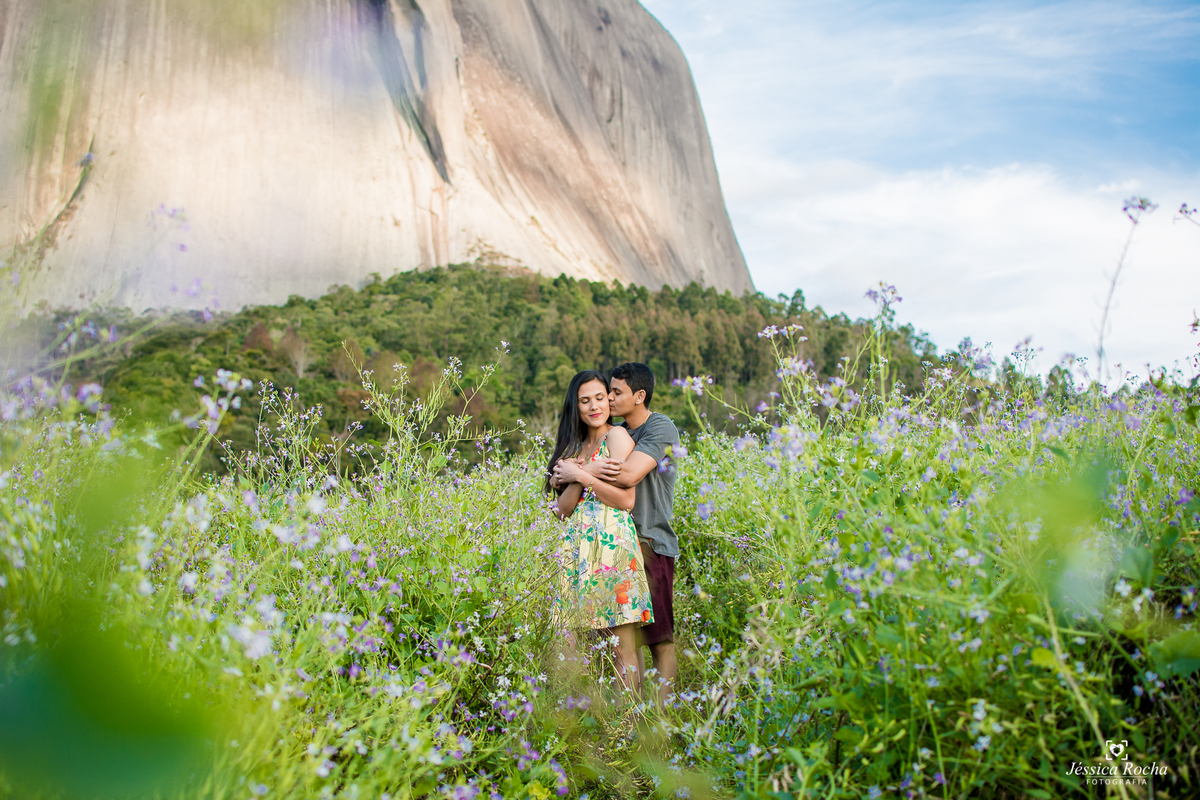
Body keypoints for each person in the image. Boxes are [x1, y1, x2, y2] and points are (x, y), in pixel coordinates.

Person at [557, 362, 680, 704]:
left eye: (614, 393)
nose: (607, 400)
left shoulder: (658, 428)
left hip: (650, 539)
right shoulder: (617, 430)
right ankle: (636, 714)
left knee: (659, 639)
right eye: (602, 394)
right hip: (616, 547)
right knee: (630, 640)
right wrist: (571, 473)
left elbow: (626, 479)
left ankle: (661, 721)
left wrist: (579, 472)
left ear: (639, 396)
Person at [546, 370, 654, 692]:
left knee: (621, 647)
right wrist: (584, 470)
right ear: (575, 406)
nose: (594, 406)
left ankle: (632, 722)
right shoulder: (576, 446)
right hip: (576, 550)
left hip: (611, 547)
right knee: (569, 643)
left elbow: (625, 500)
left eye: (599, 397)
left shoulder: (616, 438)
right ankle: (583, 718)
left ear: (609, 399)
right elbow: (563, 510)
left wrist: (582, 474)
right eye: (584, 400)